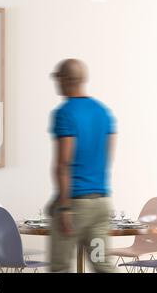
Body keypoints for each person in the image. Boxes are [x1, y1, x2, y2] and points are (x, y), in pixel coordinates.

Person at [49, 59, 116, 272]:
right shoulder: (103, 112)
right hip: (101, 205)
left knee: (60, 267)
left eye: (57, 77)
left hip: (75, 208)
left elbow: (63, 164)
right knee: (102, 264)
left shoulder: (65, 113)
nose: (56, 82)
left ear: (66, 80)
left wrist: (65, 206)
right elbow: (107, 157)